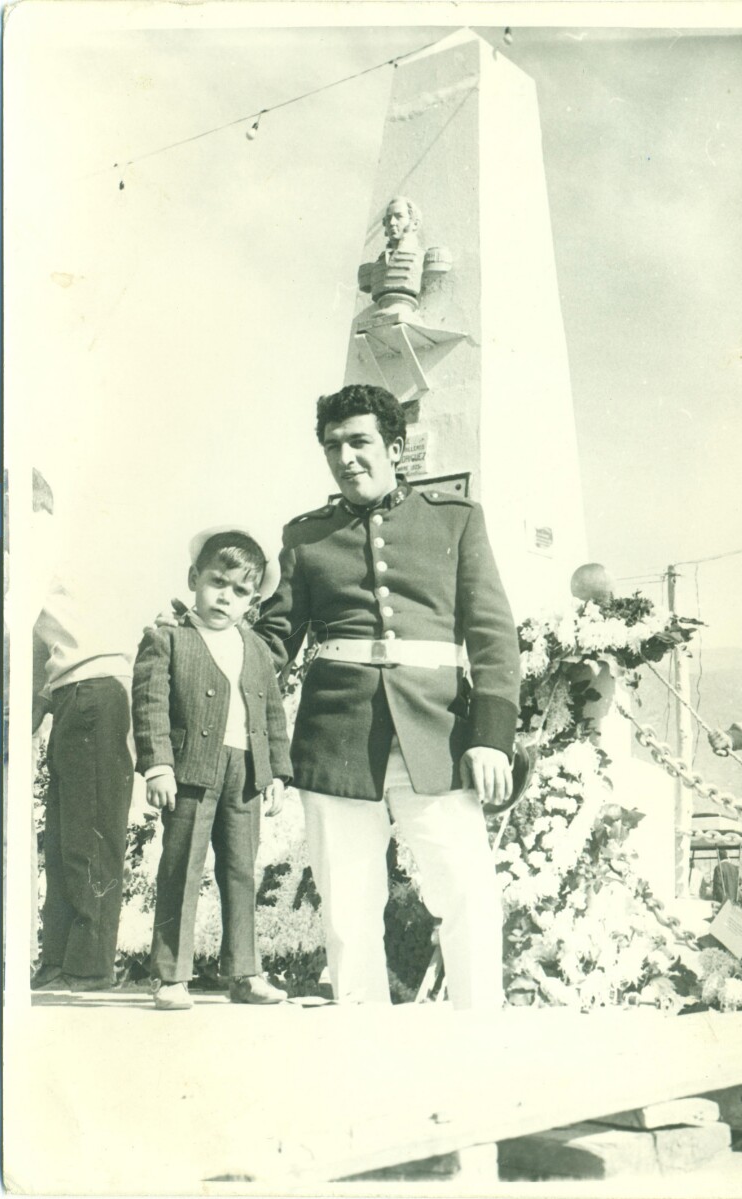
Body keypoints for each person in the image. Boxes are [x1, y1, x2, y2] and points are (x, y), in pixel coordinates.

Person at [253, 383, 520, 1010]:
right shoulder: (306, 537)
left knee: (469, 893)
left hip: (436, 733)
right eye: (332, 446)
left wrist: (491, 737)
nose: (345, 458)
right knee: (348, 908)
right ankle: (362, 1044)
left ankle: (481, 1036)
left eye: (359, 442)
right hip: (337, 739)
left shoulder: (455, 519)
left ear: (395, 448)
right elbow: (273, 642)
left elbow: (493, 636)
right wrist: (206, 646)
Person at [133, 530, 292, 1010]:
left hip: (245, 772)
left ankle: (244, 973)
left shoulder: (256, 647)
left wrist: (276, 773)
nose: (226, 596)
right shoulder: (167, 637)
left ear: (253, 600)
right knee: (181, 868)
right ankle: (171, 976)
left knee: (242, 871)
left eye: (241, 591)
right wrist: (158, 766)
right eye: (217, 582)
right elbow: (150, 704)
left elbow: (272, 713)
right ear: (193, 579)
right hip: (190, 771)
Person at [31, 527, 136, 992]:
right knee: (61, 839)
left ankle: (90, 966)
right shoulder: (44, 559)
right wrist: (41, 701)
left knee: (90, 838)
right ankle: (58, 960)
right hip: (70, 695)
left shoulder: (48, 550)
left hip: (94, 690)